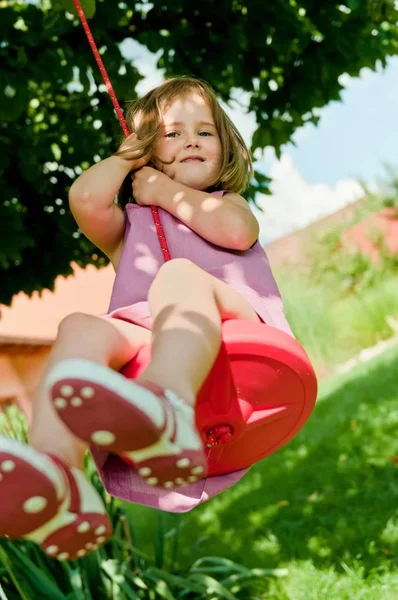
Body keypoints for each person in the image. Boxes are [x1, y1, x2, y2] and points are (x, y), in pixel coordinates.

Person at [0, 77, 295, 561]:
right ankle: (59, 476)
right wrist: (125, 160)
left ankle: (167, 403)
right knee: (79, 326)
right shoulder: (130, 229)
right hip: (151, 339)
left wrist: (160, 188)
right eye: (172, 134)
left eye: (205, 131)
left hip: (241, 340)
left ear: (226, 148)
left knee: (179, 275)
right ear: (148, 153)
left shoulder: (227, 203)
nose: (191, 141)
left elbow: (239, 232)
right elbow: (86, 201)